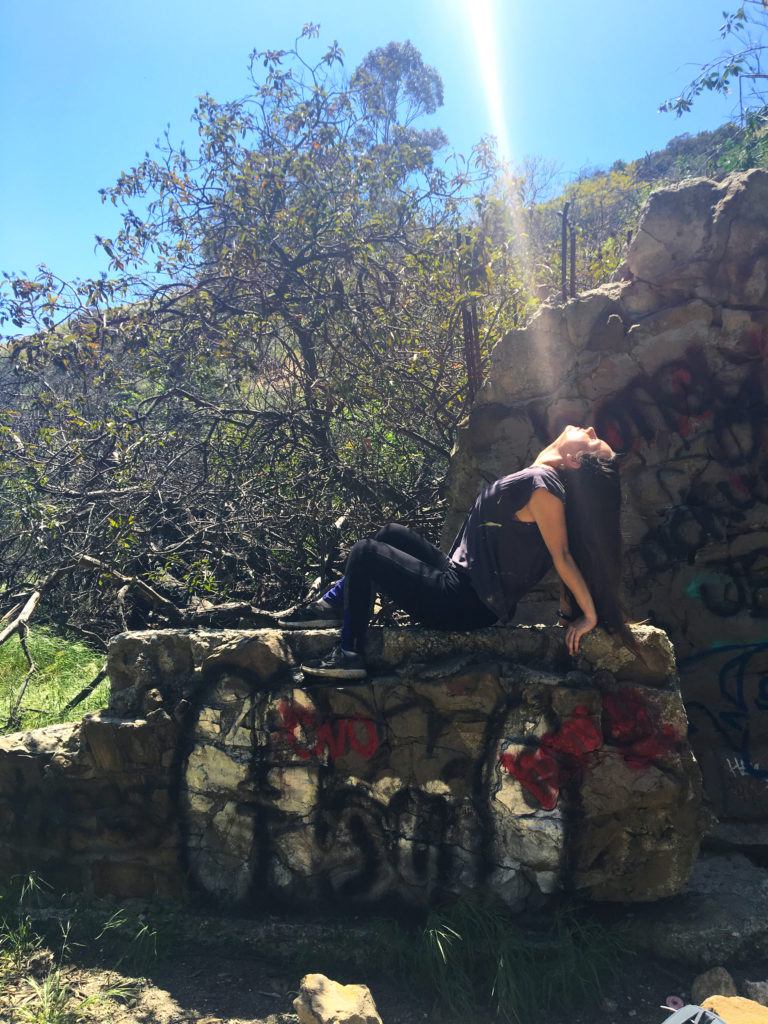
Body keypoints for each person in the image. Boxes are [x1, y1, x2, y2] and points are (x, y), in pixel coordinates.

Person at [279, 425, 635, 679]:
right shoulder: (540, 479)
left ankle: (349, 653)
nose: (590, 429)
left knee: (365, 553)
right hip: (460, 580)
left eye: (593, 440)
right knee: (391, 534)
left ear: (574, 460)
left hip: (465, 602)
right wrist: (567, 610)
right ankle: (332, 606)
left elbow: (563, 557)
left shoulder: (544, 488)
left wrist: (586, 616)